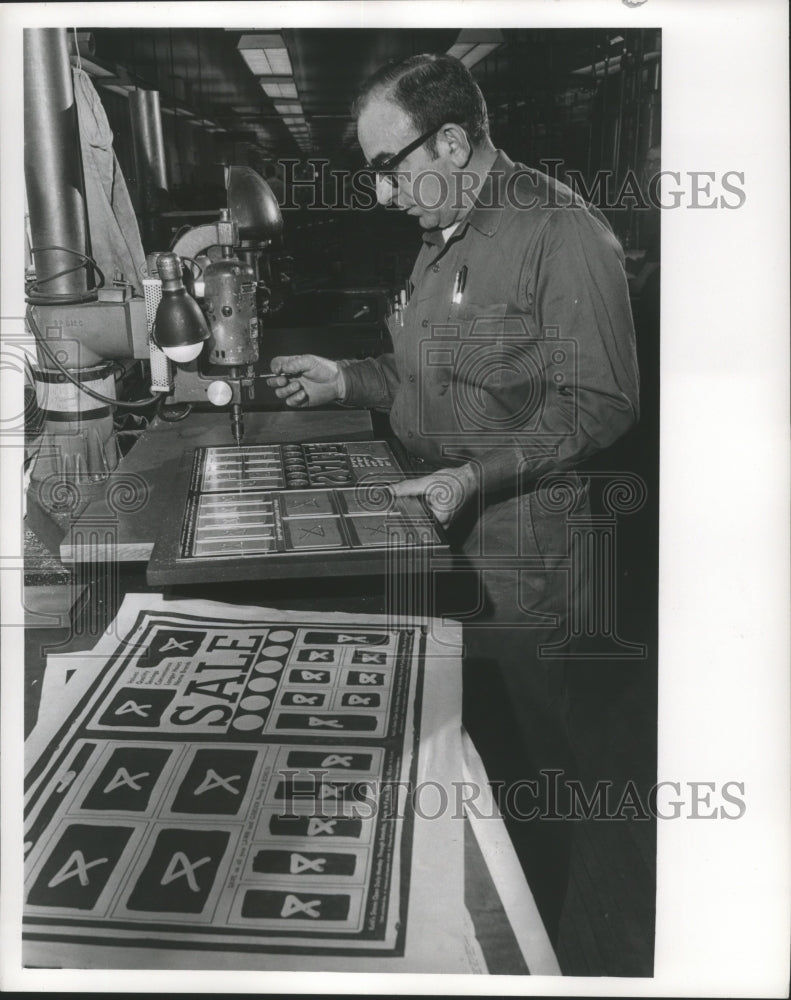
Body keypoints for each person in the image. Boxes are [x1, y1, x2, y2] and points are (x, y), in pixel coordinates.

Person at [267, 53, 639, 942]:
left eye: (387, 169)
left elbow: (602, 403)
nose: (383, 196)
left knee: (520, 762)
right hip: (442, 527)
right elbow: (419, 376)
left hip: (523, 547)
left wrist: (473, 476)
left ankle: (545, 941)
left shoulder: (558, 230)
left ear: (450, 140)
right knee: (461, 756)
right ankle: (465, 935)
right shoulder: (443, 230)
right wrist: (342, 380)